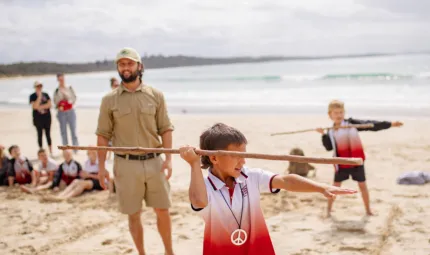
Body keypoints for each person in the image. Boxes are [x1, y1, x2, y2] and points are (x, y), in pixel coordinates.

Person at [179, 123, 357, 255]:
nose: (243, 161)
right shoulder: (203, 186)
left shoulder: (251, 177)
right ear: (214, 158)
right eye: (237, 156)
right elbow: (199, 201)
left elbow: (286, 181)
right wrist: (194, 164)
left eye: (244, 155)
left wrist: (320, 187)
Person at [96, 47, 175, 255]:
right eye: (122, 64)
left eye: (130, 63)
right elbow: (102, 135)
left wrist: (168, 159)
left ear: (140, 66)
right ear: (117, 68)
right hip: (125, 164)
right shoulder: (108, 100)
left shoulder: (156, 95)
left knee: (162, 210)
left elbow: (165, 128)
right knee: (133, 214)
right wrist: (101, 167)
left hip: (155, 162)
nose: (126, 67)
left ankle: (169, 251)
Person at [316, 99, 403, 217]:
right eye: (335, 113)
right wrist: (323, 135)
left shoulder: (352, 124)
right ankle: (329, 210)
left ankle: (368, 210)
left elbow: (372, 125)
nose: (339, 115)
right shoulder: (330, 131)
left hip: (357, 162)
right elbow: (328, 147)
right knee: (335, 187)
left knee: (363, 186)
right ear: (330, 115)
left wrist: (390, 124)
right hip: (341, 163)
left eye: (341, 112)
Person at [40, 149, 111, 201]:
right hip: (89, 179)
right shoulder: (87, 162)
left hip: (100, 182)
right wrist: (83, 175)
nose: (91, 155)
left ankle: (66, 197)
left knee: (82, 184)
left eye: (93, 153)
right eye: (89, 153)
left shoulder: (101, 162)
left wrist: (89, 175)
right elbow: (84, 174)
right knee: (75, 181)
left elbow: (105, 177)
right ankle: (61, 195)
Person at [53, 73, 79, 152]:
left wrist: (68, 101)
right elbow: (55, 102)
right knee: (63, 132)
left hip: (71, 111)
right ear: (58, 80)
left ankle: (75, 149)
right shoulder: (57, 90)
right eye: (59, 79)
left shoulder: (69, 88)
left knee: (73, 131)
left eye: (62, 79)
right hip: (61, 113)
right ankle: (66, 150)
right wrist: (60, 105)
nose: (61, 81)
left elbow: (74, 98)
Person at [29, 81, 53, 155]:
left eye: (40, 86)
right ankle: (41, 150)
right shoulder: (32, 96)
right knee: (39, 134)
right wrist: (39, 97)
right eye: (37, 86)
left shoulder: (46, 94)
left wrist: (40, 107)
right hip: (37, 118)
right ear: (35, 87)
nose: (39, 88)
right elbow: (34, 106)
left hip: (47, 117)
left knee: (48, 134)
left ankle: (50, 151)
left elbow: (49, 105)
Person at [106, 77, 119, 161]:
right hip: (112, 121)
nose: (117, 86)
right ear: (112, 86)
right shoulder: (109, 98)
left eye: (118, 85)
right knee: (110, 140)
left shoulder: (122, 95)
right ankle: (110, 156)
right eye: (115, 85)